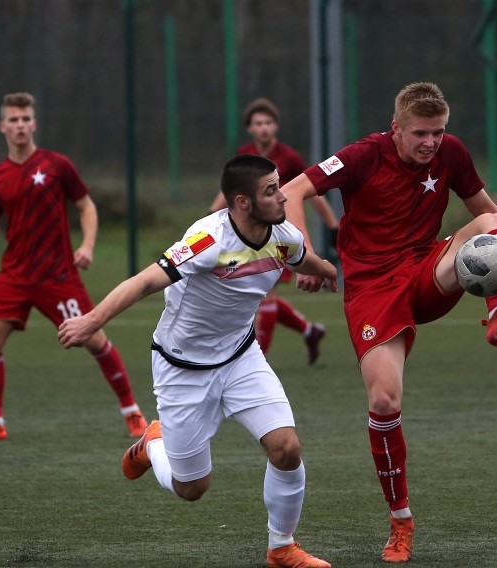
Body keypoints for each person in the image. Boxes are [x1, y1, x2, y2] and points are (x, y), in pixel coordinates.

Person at [282, 82, 497, 563]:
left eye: (439, 132)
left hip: (427, 271)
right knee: (384, 401)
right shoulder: (363, 155)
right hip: (370, 291)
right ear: (397, 130)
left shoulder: (451, 153)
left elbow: (492, 213)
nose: (431, 143)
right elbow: (292, 190)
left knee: (490, 224)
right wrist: (305, 255)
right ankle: (400, 520)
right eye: (421, 134)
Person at [58, 155, 337, 568]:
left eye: (279, 186)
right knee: (192, 488)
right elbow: (144, 281)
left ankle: (281, 547)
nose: (283, 197)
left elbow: (300, 258)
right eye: (271, 191)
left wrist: (328, 270)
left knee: (286, 449)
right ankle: (154, 442)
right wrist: (91, 320)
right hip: (182, 369)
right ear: (242, 202)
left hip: (242, 357)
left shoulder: (284, 235)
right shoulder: (208, 240)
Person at [0, 92, 148, 441]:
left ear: (34, 124)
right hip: (15, 274)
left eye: (25, 119)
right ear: (2, 126)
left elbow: (86, 206)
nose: (20, 125)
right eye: (13, 120)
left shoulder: (57, 165)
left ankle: (133, 413)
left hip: (57, 274)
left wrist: (87, 245)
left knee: (92, 339)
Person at [210, 98, 337, 364]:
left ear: (276, 126)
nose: (264, 128)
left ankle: (254, 360)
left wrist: (333, 226)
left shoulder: (288, 157)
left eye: (268, 122)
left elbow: (313, 192)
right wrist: (211, 218)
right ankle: (308, 330)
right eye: (258, 123)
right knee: (262, 293)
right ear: (250, 128)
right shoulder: (245, 154)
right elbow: (232, 191)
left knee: (265, 294)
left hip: (279, 234)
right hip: (248, 232)